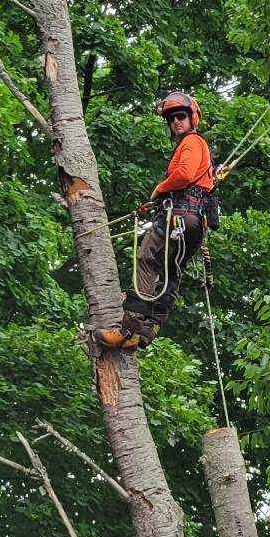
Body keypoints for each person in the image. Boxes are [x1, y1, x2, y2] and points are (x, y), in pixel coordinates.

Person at [96, 91, 216, 349]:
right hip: (191, 222)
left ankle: (129, 328)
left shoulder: (192, 143)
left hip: (181, 218)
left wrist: (159, 189)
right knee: (169, 271)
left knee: (146, 257)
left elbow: (183, 175)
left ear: (192, 118)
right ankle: (149, 329)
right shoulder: (193, 147)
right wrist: (156, 201)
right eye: (171, 119)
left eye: (181, 117)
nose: (176, 122)